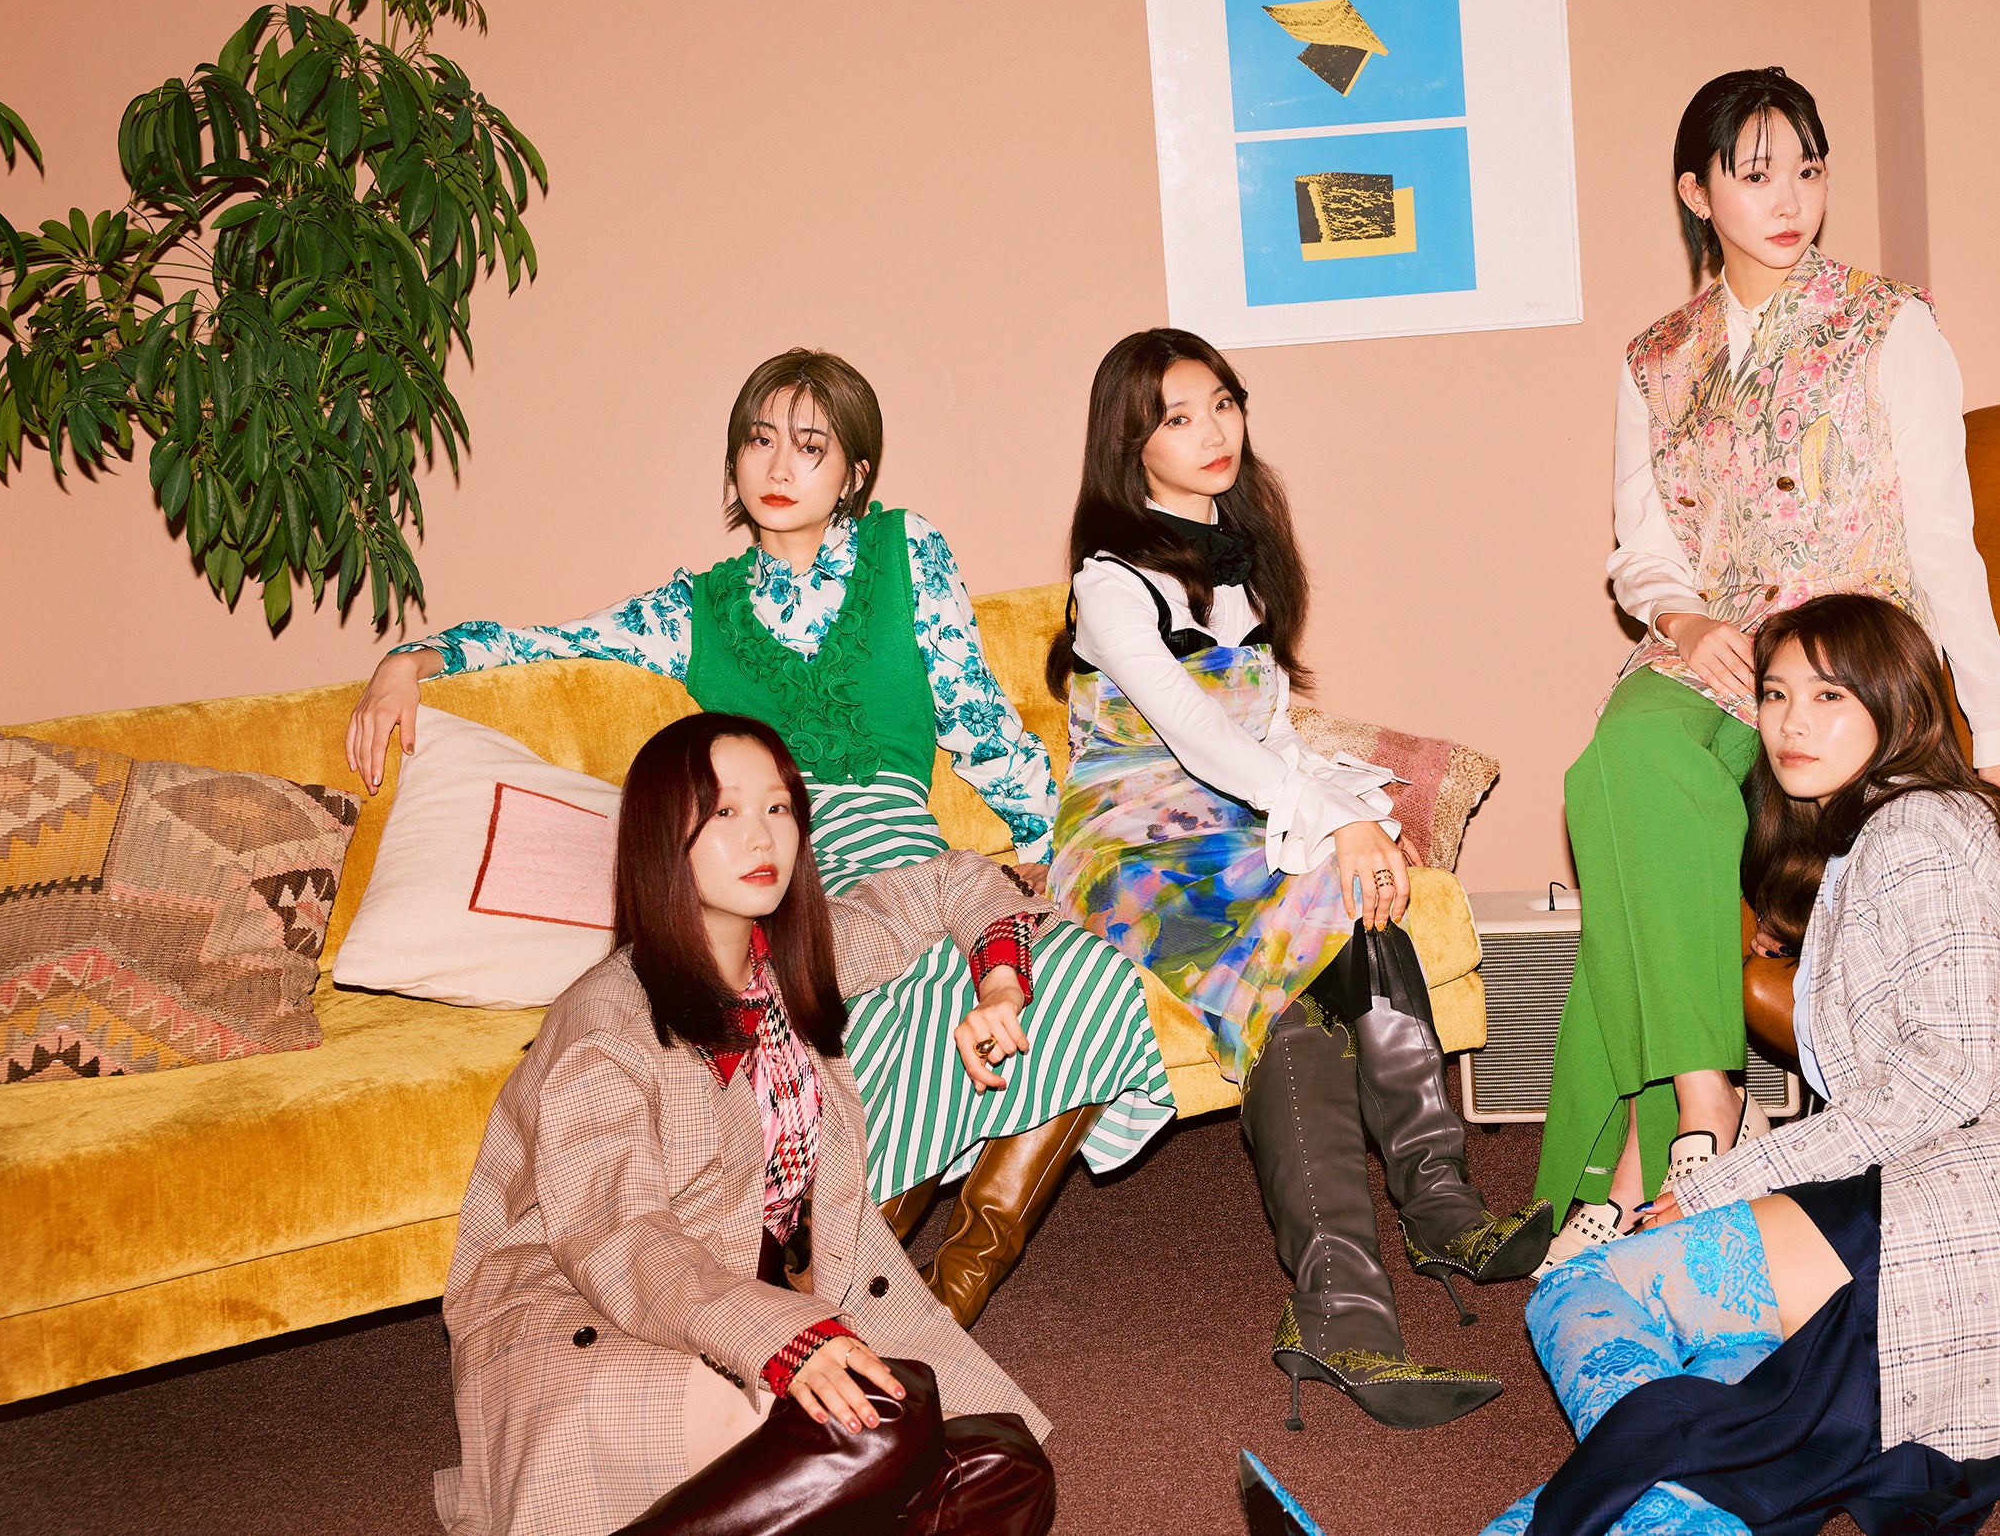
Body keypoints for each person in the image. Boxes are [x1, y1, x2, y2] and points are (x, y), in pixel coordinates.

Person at [1241, 594, 2000, 1536]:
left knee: (1584, 1295)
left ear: (1897, 705)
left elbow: (1942, 1080)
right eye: (1777, 692)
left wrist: (1731, 1174)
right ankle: (1678, 1501)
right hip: (1928, 1198)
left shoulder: (1921, 834)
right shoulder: (1883, 835)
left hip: (1973, 1216)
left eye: (1829, 694)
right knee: (1724, 1382)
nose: (1791, 720)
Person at [345, 349, 1171, 1326]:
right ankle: (844, 1301)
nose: (779, 465)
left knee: (1082, 969)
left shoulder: (907, 552)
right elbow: (545, 642)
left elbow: (976, 713)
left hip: (917, 857)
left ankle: (944, 1305)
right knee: (890, 1011)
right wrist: (412, 655)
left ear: (855, 472)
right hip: (797, 880)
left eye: (811, 445)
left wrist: (1041, 838)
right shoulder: (693, 608)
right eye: (759, 439)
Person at [1539, 66, 2000, 1269]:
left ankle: (1639, 1150)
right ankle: (1707, 1095)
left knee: (1631, 794)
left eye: (1807, 172)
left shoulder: (1890, 325)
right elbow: (1641, 546)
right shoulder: (1655, 357)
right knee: (1618, 761)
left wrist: (1999, 734)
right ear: (1696, 192)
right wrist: (1680, 623)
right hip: (1711, 652)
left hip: (1843, 655)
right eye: (1756, 174)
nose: (1788, 202)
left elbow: (1942, 538)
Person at [1045, 328, 1552, 1430]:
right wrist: (1328, 824)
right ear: (1130, 445)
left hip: (1231, 816)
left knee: (1358, 906)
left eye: (1223, 404)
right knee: (1299, 934)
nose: (1213, 431)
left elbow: (1269, 728)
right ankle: (1347, 1300)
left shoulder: (1240, 553)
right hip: (1136, 840)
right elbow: (1194, 734)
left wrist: (1356, 817)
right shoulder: (1108, 584)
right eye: (1179, 417)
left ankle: (1433, 1210)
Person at [434, 714, 1056, 1536]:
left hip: (743, 1279)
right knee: (884, 1425)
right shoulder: (605, 1029)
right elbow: (621, 1241)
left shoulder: (784, 956)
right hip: (596, 1309)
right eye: (724, 811)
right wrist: (788, 1338)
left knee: (1005, 1462)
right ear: (664, 837)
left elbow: (955, 881)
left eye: (778, 807)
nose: (762, 836)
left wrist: (1000, 987)